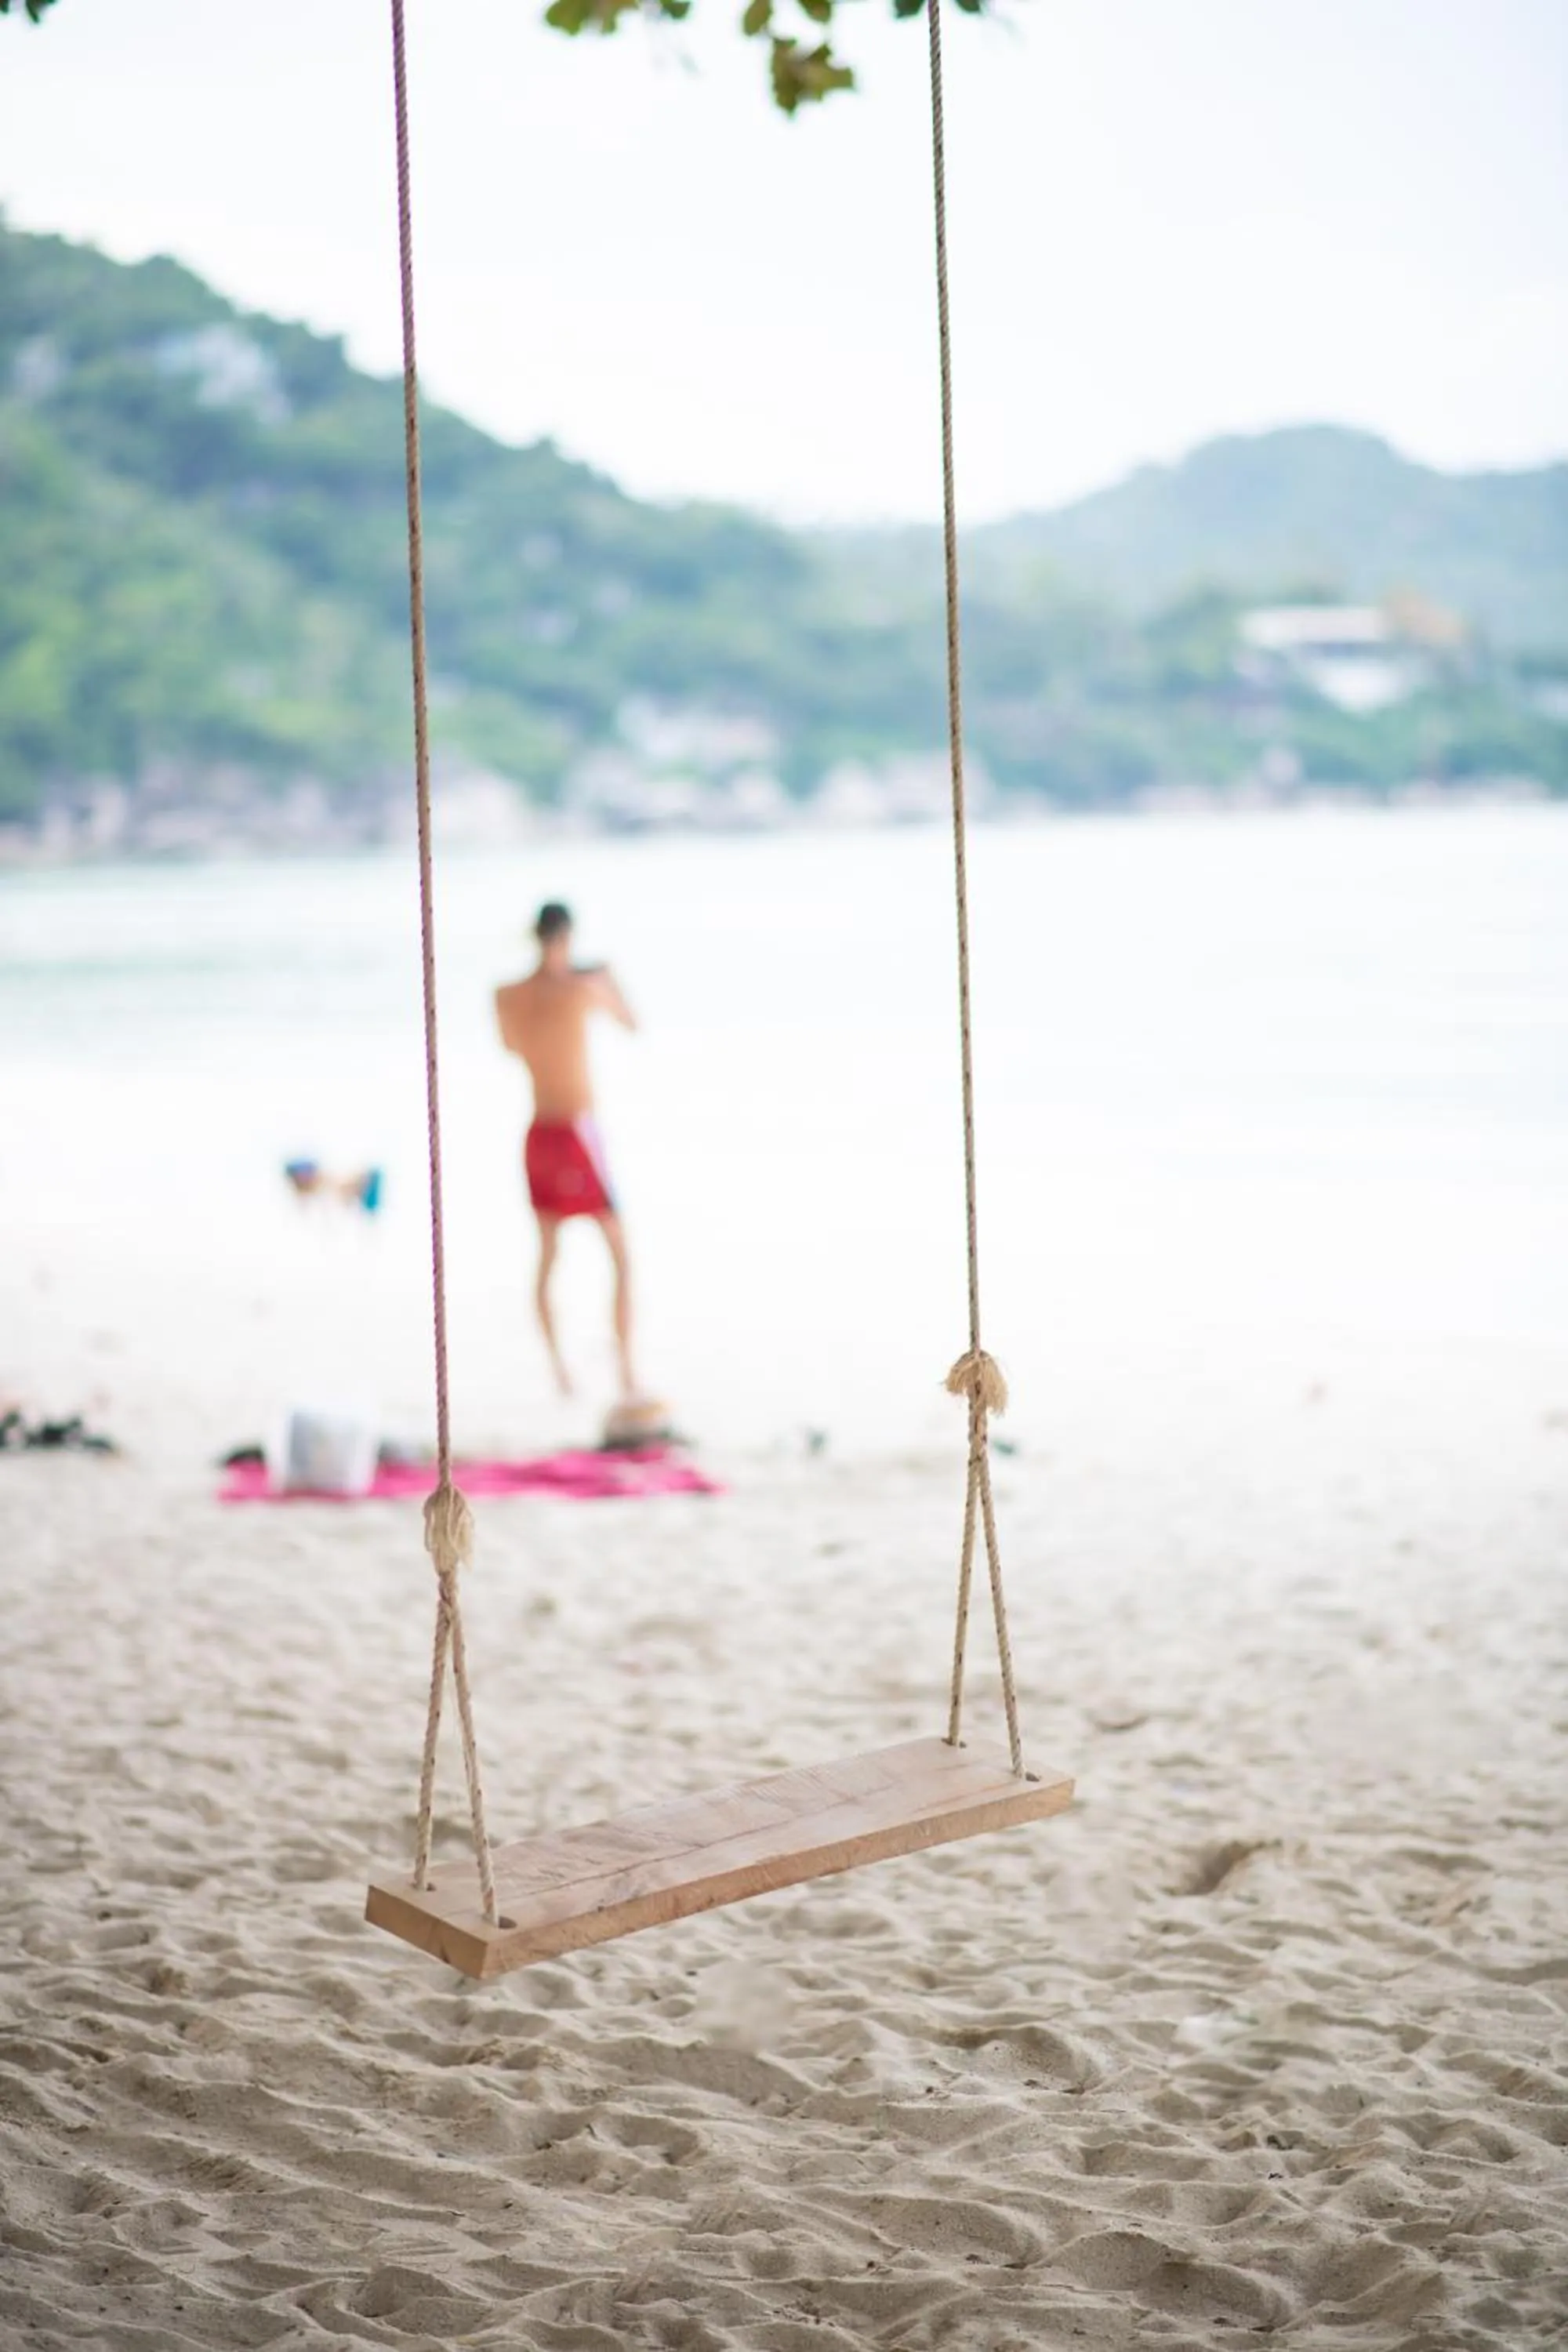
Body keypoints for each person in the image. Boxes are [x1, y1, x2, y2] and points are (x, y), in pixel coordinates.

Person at [495, 902, 638, 1399]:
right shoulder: (582, 989)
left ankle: (561, 1371)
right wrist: (608, 977)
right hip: (576, 1134)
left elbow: (513, 1047)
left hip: (538, 1132)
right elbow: (631, 1022)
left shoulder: (508, 995)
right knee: (618, 1253)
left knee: (550, 1254)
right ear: (566, 939)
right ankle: (624, 1371)